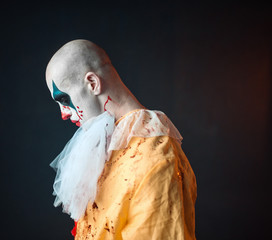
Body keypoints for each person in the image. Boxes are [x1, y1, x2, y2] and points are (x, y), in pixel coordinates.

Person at [45, 39, 197, 240]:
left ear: (92, 83)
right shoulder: (108, 146)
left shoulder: (156, 156)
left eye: (64, 99)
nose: (63, 114)